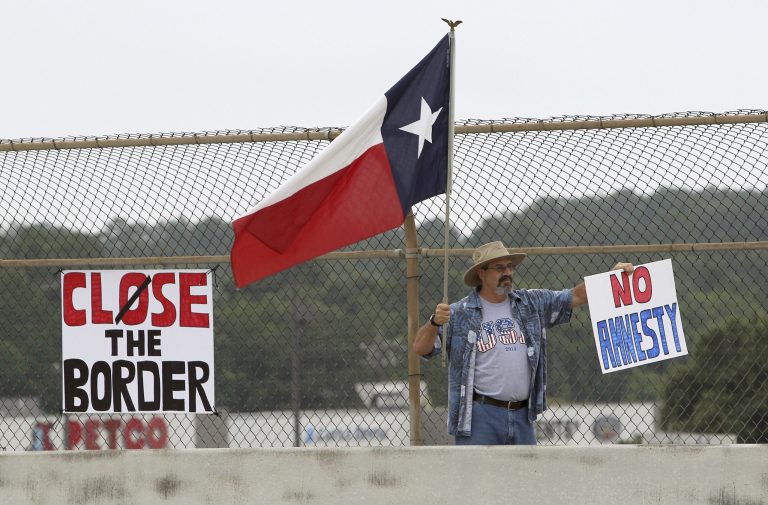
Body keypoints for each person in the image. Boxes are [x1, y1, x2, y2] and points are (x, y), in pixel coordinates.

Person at [413, 241, 634, 445]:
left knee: (525, 482)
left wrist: (609, 278)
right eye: (499, 268)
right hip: (479, 416)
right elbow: (421, 349)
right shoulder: (459, 313)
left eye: (510, 267)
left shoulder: (531, 303)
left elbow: (575, 296)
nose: (507, 273)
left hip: (523, 414)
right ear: (481, 273)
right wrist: (433, 323)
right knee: (479, 484)